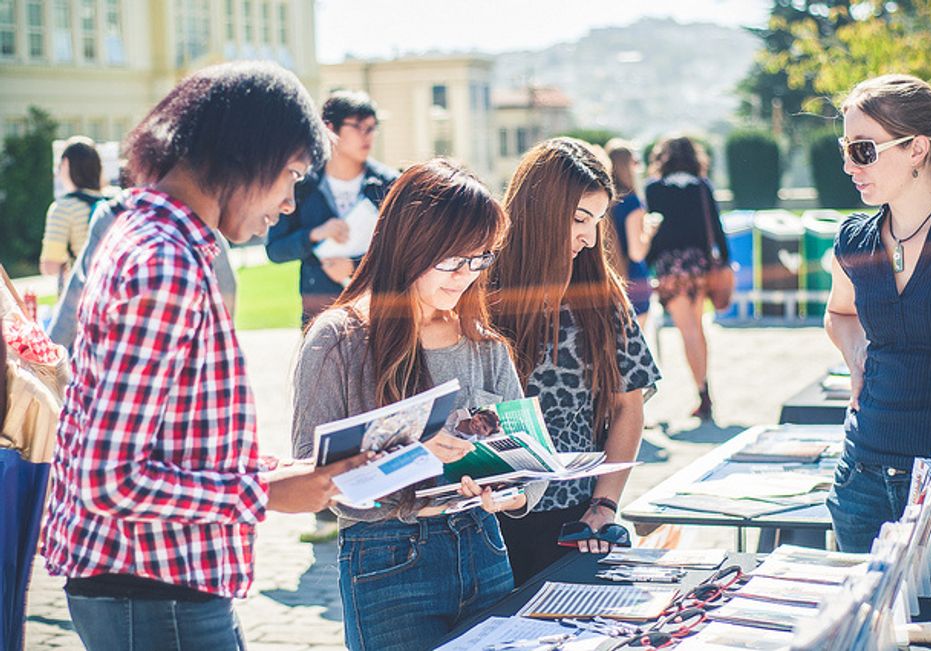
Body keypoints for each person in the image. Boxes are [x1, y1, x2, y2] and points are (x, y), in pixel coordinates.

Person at [40, 61, 369, 651]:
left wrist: (273, 473)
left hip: (157, 583)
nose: (291, 203)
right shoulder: (164, 263)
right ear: (244, 157)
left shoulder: (162, 242)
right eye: (291, 176)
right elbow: (109, 479)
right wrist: (264, 495)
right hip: (149, 587)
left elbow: (167, 440)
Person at [291, 158, 543, 651]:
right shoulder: (338, 340)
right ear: (409, 244)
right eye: (452, 261)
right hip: (388, 559)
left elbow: (529, 465)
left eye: (481, 259)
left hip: (485, 544)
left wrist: (509, 495)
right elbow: (311, 476)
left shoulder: (483, 343)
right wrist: (417, 457)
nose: (466, 276)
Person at [490, 137, 660, 586]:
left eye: (597, 221)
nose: (589, 238)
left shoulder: (602, 299)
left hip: (575, 525)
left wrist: (604, 505)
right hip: (482, 527)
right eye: (579, 218)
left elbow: (629, 407)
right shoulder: (476, 289)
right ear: (538, 209)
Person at [824, 74, 931, 554]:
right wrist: (857, 355)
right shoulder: (853, 239)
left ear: (917, 149)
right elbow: (839, 313)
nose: (850, 166)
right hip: (863, 482)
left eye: (863, 150)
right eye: (846, 148)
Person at [46, 181, 238, 351]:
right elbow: (227, 286)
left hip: (121, 355)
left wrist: (51, 358)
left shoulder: (114, 213)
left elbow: (75, 296)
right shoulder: (196, 217)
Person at [266, 90, 398, 327]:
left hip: (378, 311)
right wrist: (315, 234)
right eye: (358, 126)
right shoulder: (300, 185)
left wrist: (355, 267)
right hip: (319, 312)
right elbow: (275, 250)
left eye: (371, 127)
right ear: (329, 129)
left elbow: (404, 250)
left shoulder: (390, 184)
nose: (367, 136)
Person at [644, 136, 728, 420]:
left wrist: (648, 264)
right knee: (698, 329)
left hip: (671, 269)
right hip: (699, 265)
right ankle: (705, 391)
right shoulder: (702, 187)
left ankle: (703, 394)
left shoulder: (654, 189)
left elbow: (654, 236)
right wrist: (724, 262)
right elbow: (716, 228)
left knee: (687, 331)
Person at [39, 137, 105, 293]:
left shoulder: (63, 208)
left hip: (82, 296)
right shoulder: (115, 202)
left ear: (66, 164)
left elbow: (50, 266)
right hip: (113, 292)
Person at [605, 138, 655, 329]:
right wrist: (649, 231)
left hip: (610, 277)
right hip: (633, 280)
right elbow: (637, 252)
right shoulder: (632, 202)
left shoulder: (603, 199)